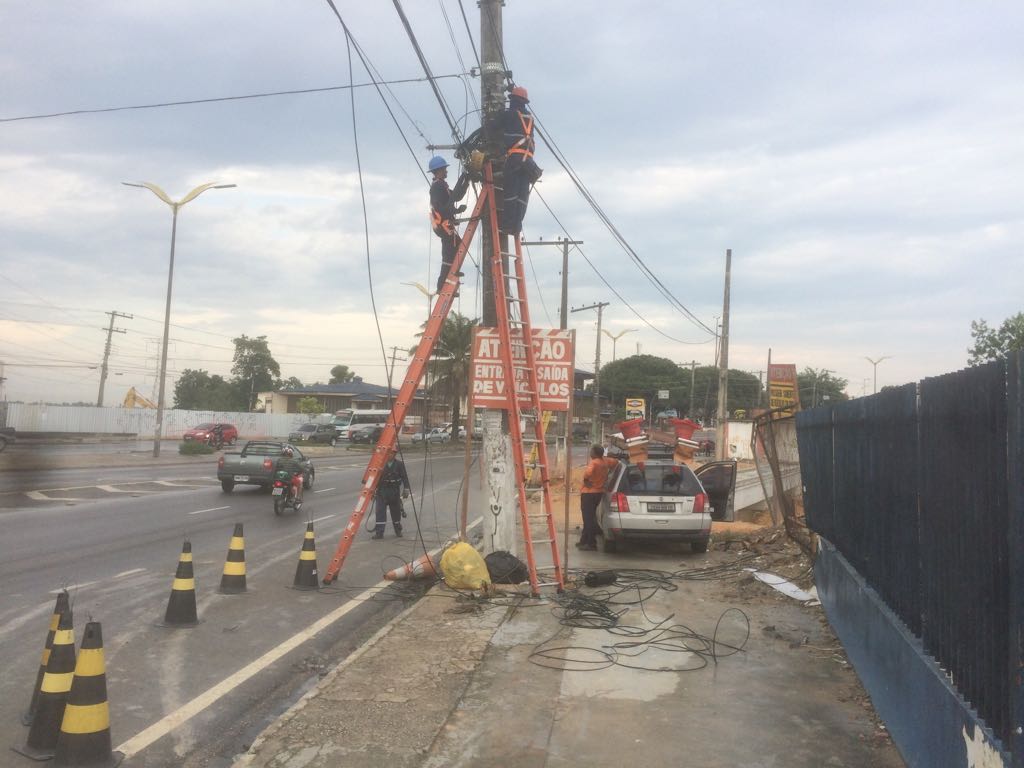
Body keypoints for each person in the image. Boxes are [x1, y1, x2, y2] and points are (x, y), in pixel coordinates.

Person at [500, 85, 542, 236]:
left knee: (510, 193)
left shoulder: (509, 115)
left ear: (513, 101)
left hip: (515, 159)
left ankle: (506, 226)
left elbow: (493, 126)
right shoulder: (529, 118)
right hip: (528, 163)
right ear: (524, 102)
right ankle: (516, 227)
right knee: (522, 196)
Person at [428, 155, 470, 295]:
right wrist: (464, 176)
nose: (446, 171)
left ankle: (449, 282)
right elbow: (441, 207)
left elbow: (456, 196)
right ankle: (442, 286)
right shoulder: (437, 187)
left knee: (456, 247)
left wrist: (466, 180)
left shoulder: (442, 185)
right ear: (439, 170)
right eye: (445, 169)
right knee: (449, 253)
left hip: (444, 224)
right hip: (443, 225)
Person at [579, 444, 618, 550]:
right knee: (590, 517)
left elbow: (587, 473)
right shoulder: (605, 461)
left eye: (592, 451)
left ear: (595, 453)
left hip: (589, 493)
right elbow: (615, 462)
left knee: (588, 519)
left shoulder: (594, 462)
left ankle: (591, 543)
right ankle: (583, 540)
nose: (590, 453)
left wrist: (586, 480)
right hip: (598, 492)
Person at [374, 455, 411, 539]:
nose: (390, 455)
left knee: (396, 512)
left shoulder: (399, 464)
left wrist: (406, 488)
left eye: (392, 453)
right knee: (380, 512)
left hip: (394, 492)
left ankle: (398, 530)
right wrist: (372, 491)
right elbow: (374, 477)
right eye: (388, 452)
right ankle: (379, 533)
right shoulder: (380, 463)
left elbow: (404, 477)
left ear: (394, 454)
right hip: (382, 491)